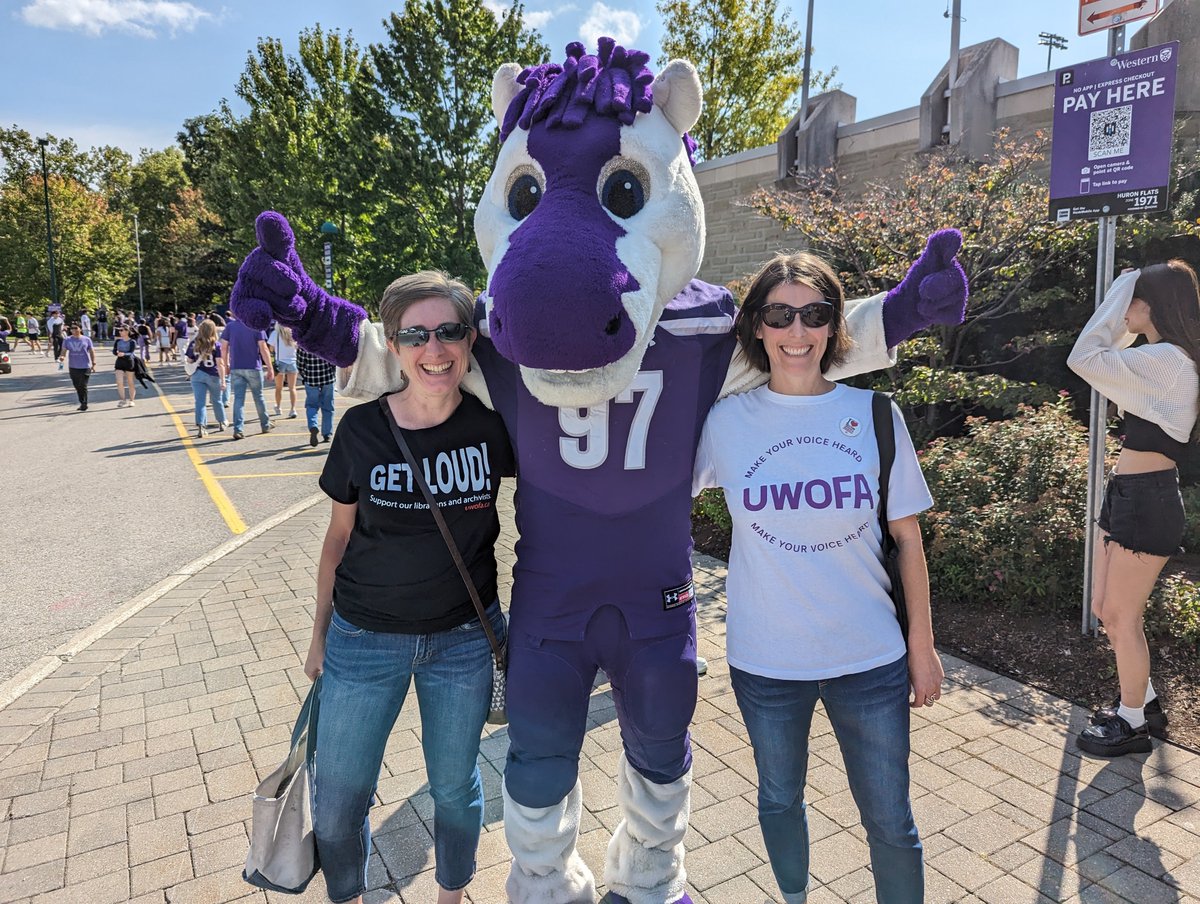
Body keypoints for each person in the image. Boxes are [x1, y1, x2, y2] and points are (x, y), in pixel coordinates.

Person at [693, 253, 942, 904]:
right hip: (766, 662)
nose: (796, 331)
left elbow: (909, 540)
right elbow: (649, 494)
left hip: (872, 661)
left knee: (891, 822)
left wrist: (922, 647)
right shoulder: (725, 423)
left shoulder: (876, 414)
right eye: (780, 314)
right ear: (756, 327)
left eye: (815, 314)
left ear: (835, 327)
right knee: (779, 801)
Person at [307, 271, 515, 904]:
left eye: (449, 331)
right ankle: (350, 895)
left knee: (455, 787)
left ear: (470, 339)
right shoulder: (362, 430)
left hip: (462, 641)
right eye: (416, 334)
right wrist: (317, 636)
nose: (435, 348)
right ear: (393, 346)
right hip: (363, 641)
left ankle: (452, 892)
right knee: (338, 803)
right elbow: (337, 539)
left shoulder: (493, 426)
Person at [1068, 262, 1200, 757]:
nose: (1123, 311)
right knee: (1106, 610)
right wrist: (1130, 289)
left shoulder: (1168, 360)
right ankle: (1142, 701)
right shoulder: (1160, 355)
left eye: (1130, 300)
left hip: (1149, 501)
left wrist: (1126, 278)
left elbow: (1085, 356)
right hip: (1129, 495)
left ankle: (1132, 725)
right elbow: (1101, 357)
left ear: (1152, 303)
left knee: (1122, 616)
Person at [220, 313, 275, 440]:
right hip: (253, 367)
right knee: (259, 397)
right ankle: (265, 424)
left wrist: (226, 364)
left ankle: (238, 429)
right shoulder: (256, 327)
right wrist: (270, 367)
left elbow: (224, 348)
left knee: (239, 399)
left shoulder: (230, 326)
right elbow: (263, 349)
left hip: (236, 367)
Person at [185, 320, 227, 438]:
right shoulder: (216, 344)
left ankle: (201, 426)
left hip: (197, 375)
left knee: (200, 402)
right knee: (216, 400)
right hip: (213, 375)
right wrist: (223, 380)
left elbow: (189, 361)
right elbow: (220, 364)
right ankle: (222, 421)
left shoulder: (194, 343)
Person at [297, 346, 336, 446]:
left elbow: (300, 364)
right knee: (328, 406)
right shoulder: (327, 341)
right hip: (328, 378)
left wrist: (304, 374)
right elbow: (333, 360)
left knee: (311, 405)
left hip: (311, 378)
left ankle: (313, 425)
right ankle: (327, 433)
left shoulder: (304, 344)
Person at [58, 323, 96, 410]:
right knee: (77, 385)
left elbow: (91, 351)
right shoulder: (67, 340)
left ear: (80, 329)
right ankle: (82, 401)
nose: (74, 330)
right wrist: (62, 357)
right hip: (73, 366)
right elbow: (63, 351)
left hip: (85, 366)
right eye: (72, 329)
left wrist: (93, 363)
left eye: (76, 328)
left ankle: (84, 403)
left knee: (83, 385)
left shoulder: (86, 339)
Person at [268, 323, 299, 418]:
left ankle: (278, 407)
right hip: (292, 362)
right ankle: (293, 409)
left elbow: (271, 349)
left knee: (278, 387)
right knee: (292, 388)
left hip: (280, 362)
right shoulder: (293, 333)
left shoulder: (275, 334)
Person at [112, 325, 139, 407]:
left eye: (121, 330)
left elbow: (131, 352)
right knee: (119, 382)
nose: (120, 332)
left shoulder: (132, 341)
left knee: (130, 382)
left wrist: (124, 354)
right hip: (119, 362)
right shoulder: (118, 341)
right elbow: (114, 351)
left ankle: (131, 400)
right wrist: (117, 353)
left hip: (129, 362)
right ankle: (122, 400)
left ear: (127, 331)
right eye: (119, 330)